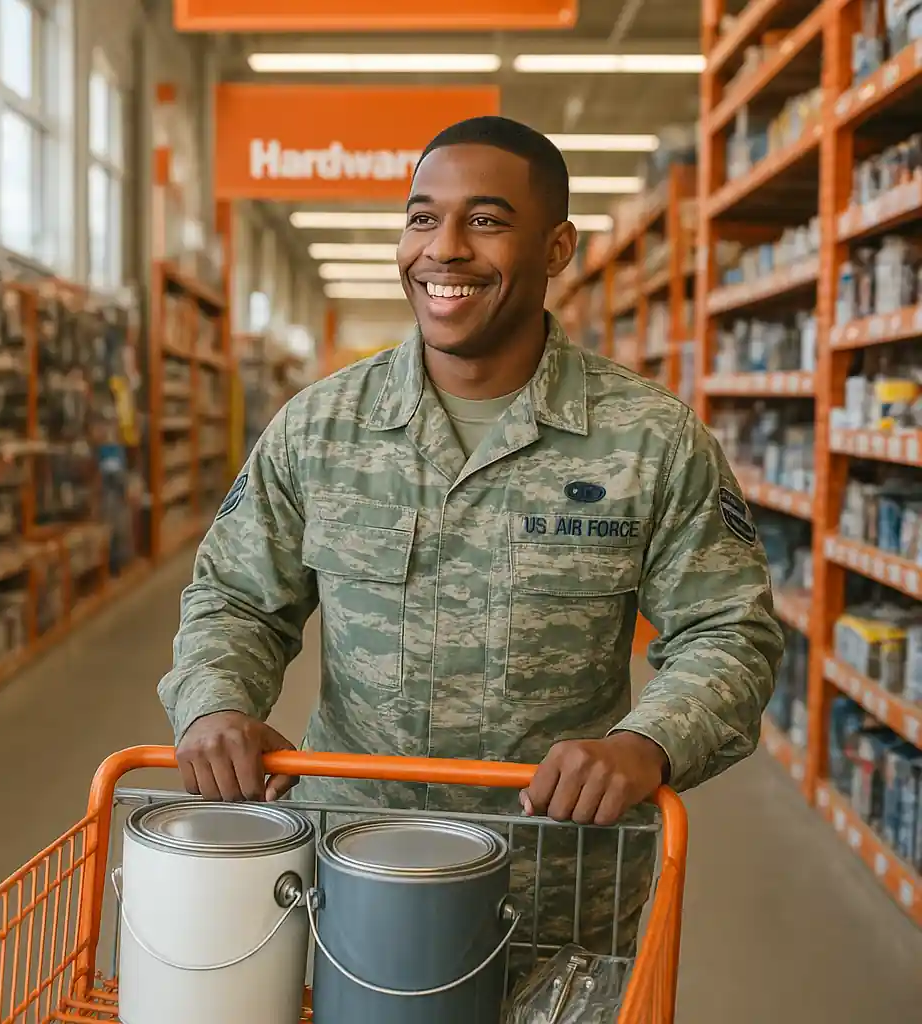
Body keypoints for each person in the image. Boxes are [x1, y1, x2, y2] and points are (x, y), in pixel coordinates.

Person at [158, 115, 784, 958]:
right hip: (351, 872)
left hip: (558, 885)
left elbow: (728, 633)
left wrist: (645, 743)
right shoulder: (320, 427)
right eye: (422, 218)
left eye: (485, 221)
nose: (443, 248)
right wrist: (219, 707)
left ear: (558, 248)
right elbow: (235, 597)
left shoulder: (651, 440)